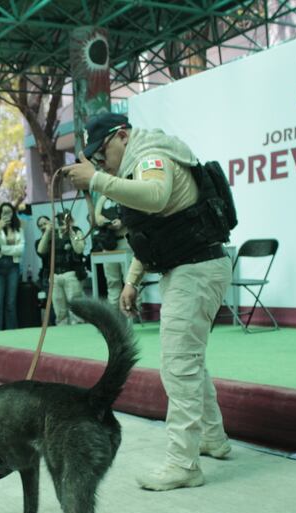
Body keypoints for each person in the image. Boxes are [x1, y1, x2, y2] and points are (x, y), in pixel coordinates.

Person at [66, 112, 233, 491]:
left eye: (102, 151)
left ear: (121, 136)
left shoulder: (150, 157)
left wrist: (95, 180)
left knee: (178, 366)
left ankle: (183, 464)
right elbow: (155, 228)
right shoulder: (141, 162)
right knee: (189, 361)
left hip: (195, 270)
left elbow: (155, 199)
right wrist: (132, 281)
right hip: (193, 267)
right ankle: (212, 438)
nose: (101, 160)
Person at [36, 211, 86, 325]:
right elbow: (40, 250)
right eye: (60, 220)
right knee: (60, 311)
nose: (62, 223)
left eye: (65, 220)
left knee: (76, 310)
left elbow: (79, 249)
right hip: (55, 276)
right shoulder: (50, 235)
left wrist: (71, 231)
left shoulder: (77, 231)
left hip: (71, 274)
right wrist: (49, 231)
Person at [0, 202, 24, 331]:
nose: (6, 215)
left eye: (9, 212)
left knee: (11, 303)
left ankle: (12, 331)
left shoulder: (18, 229)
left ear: (13, 214)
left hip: (13, 267)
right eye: (4, 212)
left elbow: (20, 250)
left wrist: (2, 249)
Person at [94, 195, 130, 309]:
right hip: (108, 243)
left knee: (130, 281)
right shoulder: (103, 198)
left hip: (125, 241)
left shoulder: (126, 194)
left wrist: (122, 222)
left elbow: (135, 215)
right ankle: (113, 315)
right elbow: (97, 218)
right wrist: (106, 222)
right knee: (112, 282)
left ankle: (134, 316)